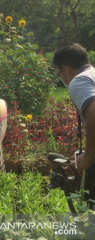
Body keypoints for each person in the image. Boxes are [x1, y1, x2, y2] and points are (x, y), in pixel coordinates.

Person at [52, 44, 95, 175]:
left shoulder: (79, 80)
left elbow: (93, 114)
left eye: (59, 73)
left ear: (65, 69)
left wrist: (87, 158)